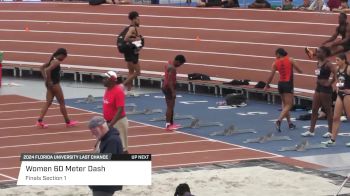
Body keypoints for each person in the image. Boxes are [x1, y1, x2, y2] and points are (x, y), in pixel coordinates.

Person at [36, 48, 78, 128]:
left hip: (49, 85)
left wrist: (46, 80)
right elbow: (47, 70)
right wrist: (49, 81)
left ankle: (39, 121)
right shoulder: (56, 62)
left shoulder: (52, 60)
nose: (63, 59)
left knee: (48, 103)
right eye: (64, 57)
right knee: (62, 103)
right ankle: (68, 122)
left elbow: (41, 68)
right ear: (61, 55)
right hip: (55, 85)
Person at [301, 47, 337, 138]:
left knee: (328, 110)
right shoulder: (318, 61)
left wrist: (330, 83)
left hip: (326, 90)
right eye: (317, 52)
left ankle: (330, 131)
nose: (317, 53)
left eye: (319, 52)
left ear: (324, 53)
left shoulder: (328, 64)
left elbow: (336, 73)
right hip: (318, 88)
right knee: (314, 109)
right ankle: (311, 131)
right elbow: (312, 56)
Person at [264, 48, 303, 132]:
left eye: (276, 54)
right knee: (289, 105)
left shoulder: (275, 63)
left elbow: (271, 76)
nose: (275, 56)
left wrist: (266, 85)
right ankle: (279, 120)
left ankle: (289, 123)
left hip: (280, 84)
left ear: (279, 54)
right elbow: (300, 71)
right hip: (288, 84)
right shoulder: (290, 60)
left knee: (285, 105)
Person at [88, 116, 123, 196]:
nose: (93, 134)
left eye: (94, 131)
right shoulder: (105, 138)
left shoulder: (112, 141)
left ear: (101, 127)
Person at [321, 53, 350, 146]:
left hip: (347, 95)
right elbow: (338, 80)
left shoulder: (348, 69)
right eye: (335, 60)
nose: (336, 62)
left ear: (344, 60)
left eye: (338, 60)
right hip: (340, 94)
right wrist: (337, 87)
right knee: (336, 117)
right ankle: (332, 140)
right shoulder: (337, 69)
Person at [102, 71, 129, 154]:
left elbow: (120, 110)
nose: (103, 80)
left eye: (105, 78)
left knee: (123, 148)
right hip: (109, 122)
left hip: (118, 123)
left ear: (112, 80)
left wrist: (111, 124)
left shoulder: (118, 92)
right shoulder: (107, 89)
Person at [162, 55, 186, 131]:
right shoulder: (172, 69)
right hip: (169, 88)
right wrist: (173, 92)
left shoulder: (169, 62)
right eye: (180, 64)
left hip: (165, 86)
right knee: (170, 107)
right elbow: (169, 81)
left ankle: (171, 124)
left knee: (170, 107)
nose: (180, 66)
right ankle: (168, 125)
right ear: (178, 61)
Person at [121, 11, 143, 93]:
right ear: (134, 19)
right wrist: (136, 40)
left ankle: (129, 90)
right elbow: (126, 38)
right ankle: (122, 85)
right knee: (138, 72)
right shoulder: (132, 28)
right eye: (138, 18)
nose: (139, 20)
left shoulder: (131, 27)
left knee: (131, 71)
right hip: (131, 52)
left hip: (128, 51)